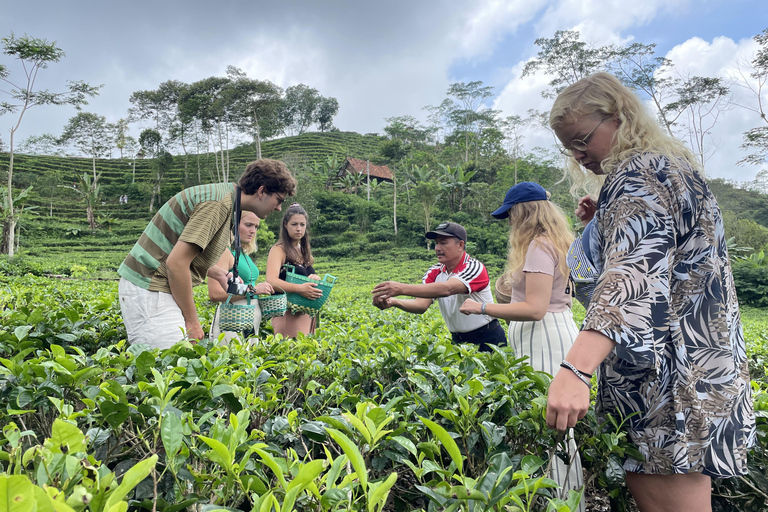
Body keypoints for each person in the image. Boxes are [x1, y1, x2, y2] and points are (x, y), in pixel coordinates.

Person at [546, 72, 755, 512]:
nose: (579, 154)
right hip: (702, 373)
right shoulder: (669, 168)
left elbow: (634, 276)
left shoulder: (638, 173)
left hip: (666, 387)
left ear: (620, 117)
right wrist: (601, 225)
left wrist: (576, 368)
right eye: (570, 147)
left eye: (583, 139)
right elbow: (670, 263)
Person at [459, 182, 585, 510]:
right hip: (549, 333)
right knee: (554, 426)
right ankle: (563, 500)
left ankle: (561, 502)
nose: (510, 223)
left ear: (523, 213)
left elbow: (535, 308)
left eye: (511, 216)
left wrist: (481, 307)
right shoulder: (554, 242)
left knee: (553, 426)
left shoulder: (539, 246)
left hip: (544, 336)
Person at [118, 159, 296, 349]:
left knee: (174, 364)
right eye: (279, 200)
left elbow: (178, 250)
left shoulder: (226, 200)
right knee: (165, 364)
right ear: (262, 191)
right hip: (150, 286)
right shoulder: (218, 204)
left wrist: (215, 272)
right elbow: (176, 263)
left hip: (156, 286)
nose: (278, 208)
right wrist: (192, 321)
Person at [372, 222, 506, 352]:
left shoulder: (474, 267)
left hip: (488, 338)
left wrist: (400, 288)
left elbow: (447, 288)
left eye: (443, 242)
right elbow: (421, 305)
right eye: (436, 243)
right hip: (459, 342)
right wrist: (394, 302)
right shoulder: (434, 272)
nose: (438, 248)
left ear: (460, 245)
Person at [208, 211, 274, 344]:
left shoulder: (242, 252)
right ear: (233, 225)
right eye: (248, 225)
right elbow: (214, 293)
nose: (253, 231)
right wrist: (253, 290)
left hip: (248, 319)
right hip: (232, 320)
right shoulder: (224, 251)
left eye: (256, 227)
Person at [265, 203, 322, 338]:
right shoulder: (278, 249)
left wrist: (314, 279)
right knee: (290, 352)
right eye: (294, 224)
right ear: (285, 225)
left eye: (302, 225)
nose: (298, 229)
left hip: (305, 312)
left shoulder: (303, 251)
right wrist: (299, 288)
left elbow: (304, 278)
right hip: (287, 313)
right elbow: (271, 281)